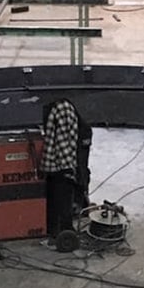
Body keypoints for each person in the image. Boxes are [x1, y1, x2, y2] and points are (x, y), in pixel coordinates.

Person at [40, 99, 88, 243]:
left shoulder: (57, 106)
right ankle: (63, 232)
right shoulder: (64, 108)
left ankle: (54, 229)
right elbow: (63, 142)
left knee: (54, 199)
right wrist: (68, 169)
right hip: (60, 166)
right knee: (63, 200)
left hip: (54, 165)